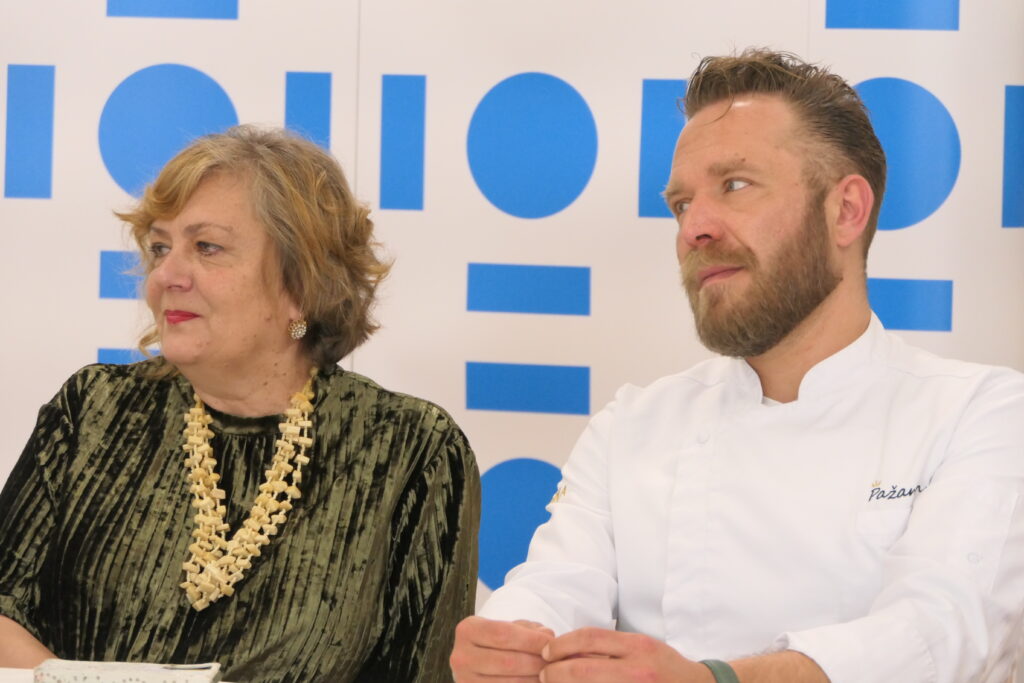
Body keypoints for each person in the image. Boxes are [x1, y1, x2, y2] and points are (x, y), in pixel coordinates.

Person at [450, 48, 1024, 683]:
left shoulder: (980, 412)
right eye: (680, 204)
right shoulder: (633, 423)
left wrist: (713, 681)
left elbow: (941, 634)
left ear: (846, 210)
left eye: (735, 185)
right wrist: (512, 641)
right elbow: (555, 584)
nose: (694, 228)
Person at [0, 125, 480, 682]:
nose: (166, 275)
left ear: (302, 283)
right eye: (160, 247)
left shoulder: (411, 449)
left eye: (207, 247)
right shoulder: (95, 409)